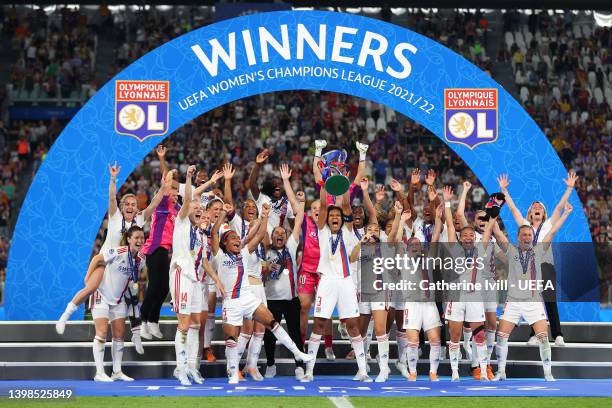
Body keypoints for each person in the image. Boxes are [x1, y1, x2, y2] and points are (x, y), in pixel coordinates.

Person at [55, 162, 167, 341]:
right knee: (91, 287)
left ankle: (136, 334)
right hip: (106, 260)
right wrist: (113, 179)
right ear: (123, 207)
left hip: (124, 266)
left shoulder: (139, 218)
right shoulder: (115, 216)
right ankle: (65, 316)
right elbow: (112, 198)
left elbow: (154, 204)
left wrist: (163, 187)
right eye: (127, 204)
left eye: (133, 204)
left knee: (130, 296)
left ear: (137, 207)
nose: (130, 206)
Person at [211, 202, 312, 384]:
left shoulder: (242, 251)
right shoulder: (220, 256)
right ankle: (233, 372)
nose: (236, 239)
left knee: (271, 322)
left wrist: (265, 216)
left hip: (248, 297)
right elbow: (213, 235)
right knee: (232, 338)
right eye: (231, 237)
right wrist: (221, 216)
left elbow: (256, 237)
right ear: (224, 243)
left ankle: (298, 353)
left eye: (237, 237)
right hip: (231, 302)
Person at [488, 203, 573, 381]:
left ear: (533, 237)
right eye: (524, 235)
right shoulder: (511, 250)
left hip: (533, 301)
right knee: (501, 337)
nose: (527, 237)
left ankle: (548, 373)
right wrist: (493, 213)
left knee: (543, 338)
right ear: (518, 237)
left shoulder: (539, 250)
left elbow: (552, 232)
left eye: (529, 235)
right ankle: (501, 371)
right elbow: (496, 232)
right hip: (513, 301)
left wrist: (565, 214)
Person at [499, 171, 578, 346]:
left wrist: (569, 189)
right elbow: (512, 209)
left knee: (549, 298)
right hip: (527, 268)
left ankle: (557, 334)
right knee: (532, 301)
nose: (537, 208)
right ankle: (535, 335)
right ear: (530, 213)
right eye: (534, 207)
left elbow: (559, 208)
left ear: (544, 214)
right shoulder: (525, 227)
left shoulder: (548, 224)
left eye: (540, 208)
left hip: (545, 265)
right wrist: (504, 191)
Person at [302, 186, 369, 383]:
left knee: (352, 326)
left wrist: (344, 184)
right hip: (327, 282)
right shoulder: (322, 231)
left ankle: (363, 371)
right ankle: (309, 370)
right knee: (320, 324)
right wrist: (324, 184)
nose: (334, 217)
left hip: (346, 282)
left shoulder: (348, 232)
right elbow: (323, 205)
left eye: (337, 215)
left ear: (342, 220)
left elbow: (346, 205)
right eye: (331, 215)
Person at [169, 165, 223, 386]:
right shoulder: (181, 222)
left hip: (196, 281)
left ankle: (191, 367)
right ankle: (180, 368)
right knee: (183, 324)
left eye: (201, 208)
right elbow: (189, 200)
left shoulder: (200, 234)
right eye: (194, 207)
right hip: (182, 276)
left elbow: (203, 261)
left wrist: (217, 280)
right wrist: (190, 178)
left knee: (195, 325)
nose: (198, 209)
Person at [441, 186, 491, 381]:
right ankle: (454, 372)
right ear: (461, 238)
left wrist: (494, 211)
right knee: (455, 336)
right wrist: (446, 202)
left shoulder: (481, 248)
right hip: (456, 296)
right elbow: (451, 226)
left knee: (479, 336)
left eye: (471, 235)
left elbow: (489, 227)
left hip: (475, 297)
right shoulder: (454, 248)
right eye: (465, 235)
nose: (469, 237)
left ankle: (484, 371)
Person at [262, 164, 307, 380]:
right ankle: (270, 364)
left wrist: (287, 181)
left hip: (291, 299)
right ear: (271, 237)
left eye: (282, 232)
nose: (280, 234)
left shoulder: (290, 245)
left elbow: (298, 215)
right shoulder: (265, 249)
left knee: (295, 333)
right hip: (270, 299)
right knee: (270, 335)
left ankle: (299, 365)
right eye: (276, 233)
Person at [88, 225, 145, 382]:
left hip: (118, 298)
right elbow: (97, 259)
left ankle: (116, 371)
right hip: (101, 294)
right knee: (102, 333)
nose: (140, 240)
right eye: (136, 238)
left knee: (119, 334)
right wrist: (88, 280)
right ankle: (99, 373)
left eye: (142, 238)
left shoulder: (140, 261)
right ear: (128, 239)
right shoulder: (119, 251)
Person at [140, 168, 182, 340]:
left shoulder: (176, 209)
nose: (175, 195)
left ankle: (153, 321)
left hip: (165, 250)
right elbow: (165, 188)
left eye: (176, 193)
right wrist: (171, 172)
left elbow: (188, 205)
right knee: (154, 286)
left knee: (164, 287)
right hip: (155, 248)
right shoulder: (163, 206)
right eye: (172, 193)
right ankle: (142, 322)